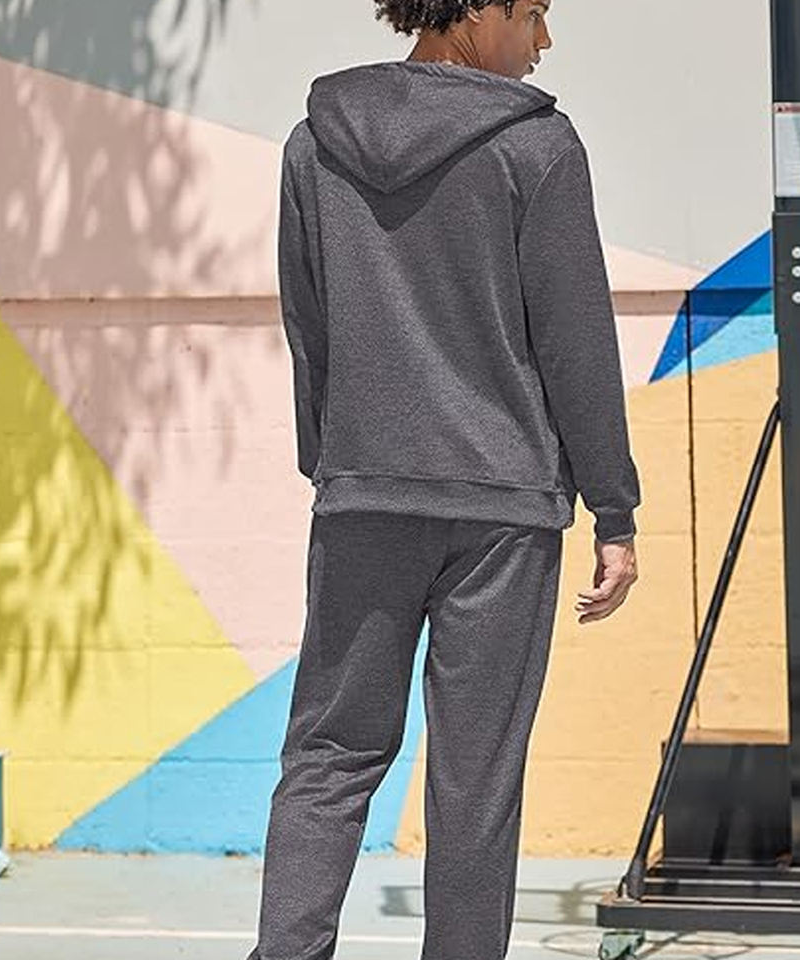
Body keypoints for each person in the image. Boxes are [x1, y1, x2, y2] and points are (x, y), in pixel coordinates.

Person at [244, 1, 641, 957]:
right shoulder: (537, 148)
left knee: (328, 757)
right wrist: (614, 508)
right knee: (476, 781)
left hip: (365, 495)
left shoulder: (313, 144)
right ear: (476, 7)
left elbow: (309, 324)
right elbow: (577, 342)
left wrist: (336, 464)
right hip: (502, 515)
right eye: (534, 13)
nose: (543, 43)